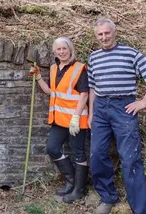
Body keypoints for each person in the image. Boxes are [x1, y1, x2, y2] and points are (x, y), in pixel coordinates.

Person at [88, 18, 146, 214]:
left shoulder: (130, 53)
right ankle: (108, 197)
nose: (104, 37)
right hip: (101, 108)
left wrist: (145, 101)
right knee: (96, 154)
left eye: (106, 33)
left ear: (114, 32)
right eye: (100, 34)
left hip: (124, 108)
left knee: (130, 159)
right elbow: (92, 87)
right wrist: (92, 113)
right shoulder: (93, 57)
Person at [30, 37, 89, 204]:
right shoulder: (54, 68)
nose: (61, 52)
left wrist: (76, 117)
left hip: (75, 120)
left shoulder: (79, 68)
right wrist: (38, 77)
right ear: (54, 52)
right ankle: (71, 180)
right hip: (59, 119)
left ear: (70, 49)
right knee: (52, 148)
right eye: (58, 49)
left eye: (64, 48)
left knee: (79, 153)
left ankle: (79, 189)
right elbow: (51, 91)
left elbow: (84, 94)